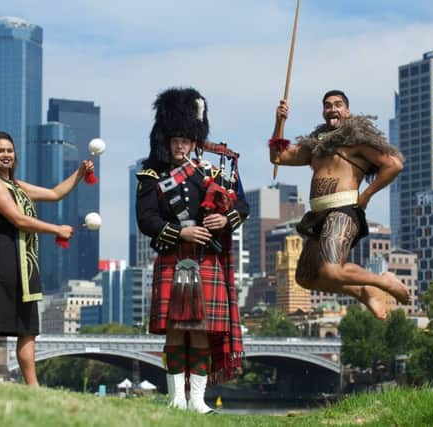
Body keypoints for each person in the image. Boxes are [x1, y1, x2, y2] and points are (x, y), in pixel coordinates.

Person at [136, 87, 248, 413]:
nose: (180, 145)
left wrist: (223, 219)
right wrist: (180, 230)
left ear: (195, 140)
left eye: (186, 139)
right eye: (175, 140)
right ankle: (176, 398)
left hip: (206, 260)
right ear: (165, 140)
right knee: (175, 331)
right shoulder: (151, 176)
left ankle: (197, 401)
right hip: (173, 256)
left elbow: (243, 206)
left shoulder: (212, 172)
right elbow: (145, 219)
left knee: (200, 331)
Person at [269, 90, 410, 320]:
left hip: (344, 210)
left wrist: (366, 195)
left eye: (338, 104)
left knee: (331, 270)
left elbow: (394, 165)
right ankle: (363, 292)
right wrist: (280, 121)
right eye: (327, 105)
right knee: (305, 277)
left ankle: (383, 281)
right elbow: (278, 157)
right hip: (318, 216)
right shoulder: (316, 146)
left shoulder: (357, 141)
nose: (332, 109)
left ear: (347, 111)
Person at [0, 130, 93, 386]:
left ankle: (33, 386)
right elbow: (17, 219)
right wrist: (56, 229)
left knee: (27, 329)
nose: (6, 155)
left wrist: (80, 173)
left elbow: (55, 193)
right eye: (0, 151)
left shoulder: (17, 185)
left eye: (9, 150)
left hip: (24, 264)